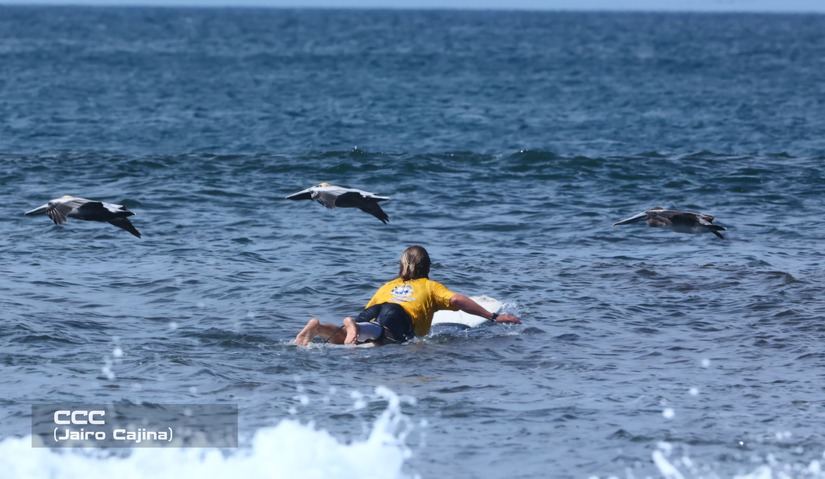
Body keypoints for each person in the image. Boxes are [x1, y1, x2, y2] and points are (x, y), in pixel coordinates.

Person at [294, 245, 521, 346]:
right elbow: (457, 300)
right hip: (400, 315)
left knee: (349, 337)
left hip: (379, 307)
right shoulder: (429, 286)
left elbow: (376, 311)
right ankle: (353, 325)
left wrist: (356, 324)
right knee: (385, 335)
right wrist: (492, 316)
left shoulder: (388, 286)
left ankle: (320, 327)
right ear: (428, 267)